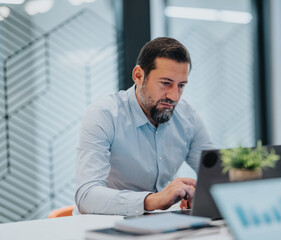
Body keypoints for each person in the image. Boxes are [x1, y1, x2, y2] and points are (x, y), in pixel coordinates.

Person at [73, 37, 213, 216]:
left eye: (181, 85)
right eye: (165, 83)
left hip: (157, 224)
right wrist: (152, 200)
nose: (174, 96)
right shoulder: (103, 114)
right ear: (138, 75)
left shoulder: (188, 117)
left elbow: (217, 174)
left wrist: (199, 194)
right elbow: (87, 196)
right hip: (102, 225)